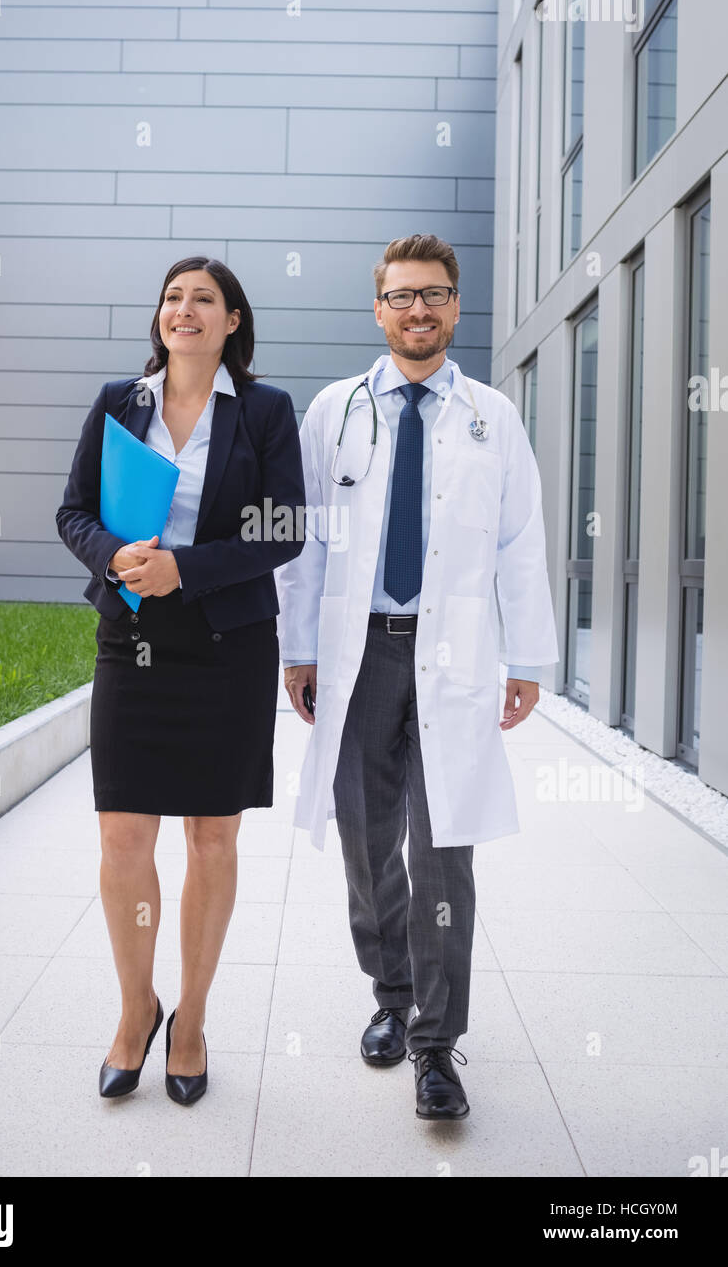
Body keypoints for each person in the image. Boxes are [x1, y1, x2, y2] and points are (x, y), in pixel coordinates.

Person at [275, 233, 559, 1121]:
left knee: (444, 849)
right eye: (402, 296)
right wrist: (299, 647)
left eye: (434, 295)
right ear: (379, 309)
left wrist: (530, 658)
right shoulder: (335, 411)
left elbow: (521, 542)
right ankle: (390, 997)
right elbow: (306, 543)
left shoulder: (492, 418)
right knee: (366, 839)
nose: (419, 310)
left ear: (456, 307)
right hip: (358, 652)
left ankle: (437, 1045)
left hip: (457, 656)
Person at [56, 256, 305, 1105]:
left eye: (204, 299)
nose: (184, 310)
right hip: (130, 640)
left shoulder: (266, 411)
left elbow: (284, 530)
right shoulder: (119, 402)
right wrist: (114, 556)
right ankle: (137, 1011)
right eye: (172, 298)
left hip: (227, 647)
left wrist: (185, 570)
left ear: (233, 320)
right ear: (158, 317)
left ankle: (190, 1020)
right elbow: (72, 512)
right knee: (124, 837)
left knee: (211, 838)